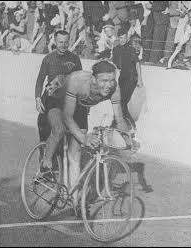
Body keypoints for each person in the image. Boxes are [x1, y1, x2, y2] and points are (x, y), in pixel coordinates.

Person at [39, 59, 133, 207]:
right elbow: (67, 118)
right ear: (93, 78)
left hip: (79, 105)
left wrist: (127, 137)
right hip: (56, 98)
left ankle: (74, 199)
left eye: (111, 80)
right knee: (59, 130)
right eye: (104, 80)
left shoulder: (114, 88)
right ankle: (46, 160)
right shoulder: (78, 81)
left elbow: (119, 119)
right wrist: (84, 138)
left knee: (75, 154)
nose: (108, 85)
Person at [35, 29, 82, 171]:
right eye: (60, 42)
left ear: (69, 42)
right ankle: (44, 167)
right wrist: (37, 99)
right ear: (55, 42)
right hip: (50, 100)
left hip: (67, 101)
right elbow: (40, 80)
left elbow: (79, 81)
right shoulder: (48, 59)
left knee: (65, 135)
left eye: (66, 42)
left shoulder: (74, 59)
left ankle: (60, 168)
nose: (63, 45)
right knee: (48, 133)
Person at [112, 27, 144, 129]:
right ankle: (122, 124)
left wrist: (140, 79)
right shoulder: (115, 49)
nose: (123, 40)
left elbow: (137, 63)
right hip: (122, 78)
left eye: (125, 38)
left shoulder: (130, 49)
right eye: (121, 38)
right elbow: (115, 66)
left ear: (127, 38)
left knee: (122, 102)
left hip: (131, 78)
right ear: (118, 38)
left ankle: (130, 125)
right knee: (121, 103)